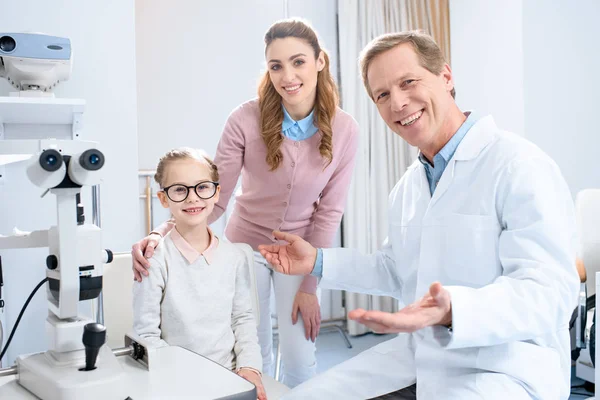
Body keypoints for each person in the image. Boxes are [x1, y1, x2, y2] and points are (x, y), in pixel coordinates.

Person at [258, 31, 580, 399]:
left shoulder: (519, 165)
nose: (397, 103)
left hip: (504, 368)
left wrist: (453, 310)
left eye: (408, 82)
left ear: (446, 77)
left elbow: (550, 293)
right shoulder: (409, 188)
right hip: (419, 358)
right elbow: (395, 270)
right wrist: (316, 261)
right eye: (382, 95)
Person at [131, 19, 359, 387]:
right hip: (244, 247)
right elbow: (212, 198)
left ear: (320, 61)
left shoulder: (345, 128)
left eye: (298, 61)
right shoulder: (244, 119)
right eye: (276, 66)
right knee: (253, 350)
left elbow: (330, 211)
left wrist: (310, 286)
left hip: (299, 252)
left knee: (302, 356)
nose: (288, 76)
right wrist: (160, 233)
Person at [132, 147, 266, 400]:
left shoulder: (234, 257)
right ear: (163, 199)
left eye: (202, 187)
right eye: (180, 190)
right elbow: (146, 335)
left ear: (216, 192)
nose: (192, 198)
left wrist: (249, 368)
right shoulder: (154, 259)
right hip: (178, 382)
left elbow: (243, 319)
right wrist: (187, 378)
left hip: (230, 377)